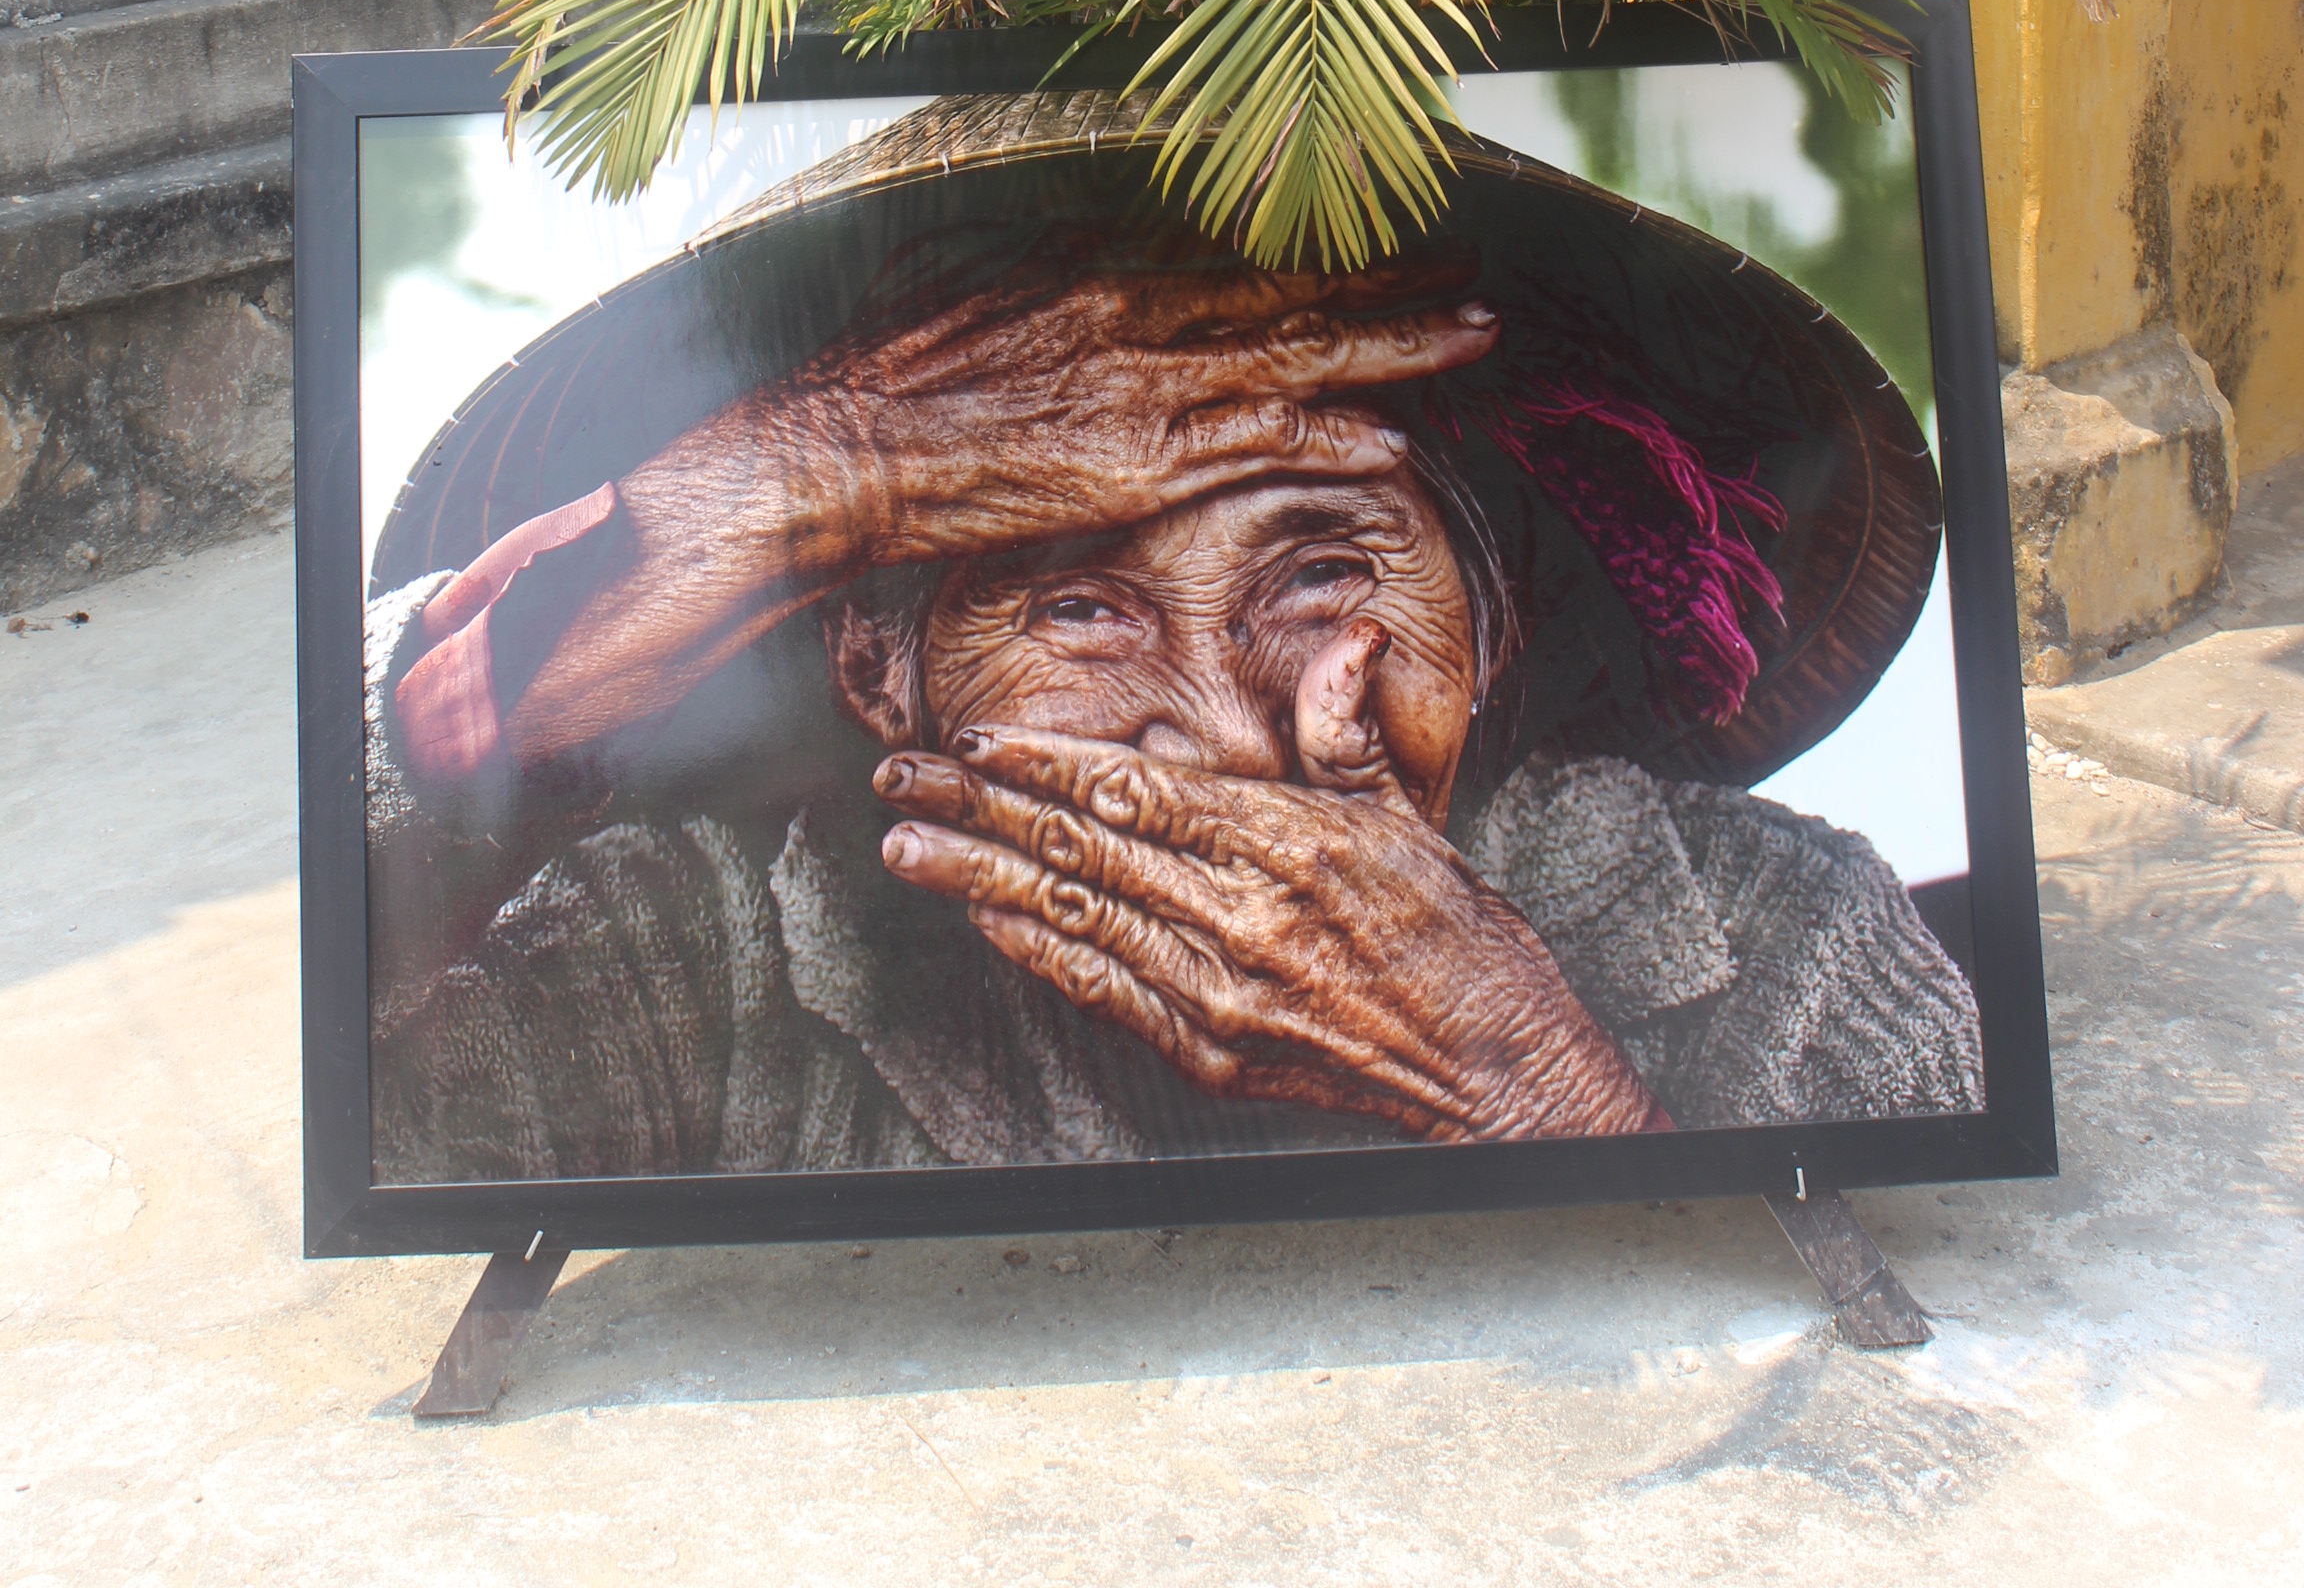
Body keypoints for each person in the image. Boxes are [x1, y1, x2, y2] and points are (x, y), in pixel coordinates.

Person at [363, 124, 1983, 1183]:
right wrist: (786, 492)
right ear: (879, 675)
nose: (1222, 736)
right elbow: (376, 1132)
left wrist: (1526, 1085)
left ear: (1491, 627)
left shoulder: (1774, 936)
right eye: (1076, 605)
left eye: (1323, 576)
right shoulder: (686, 965)